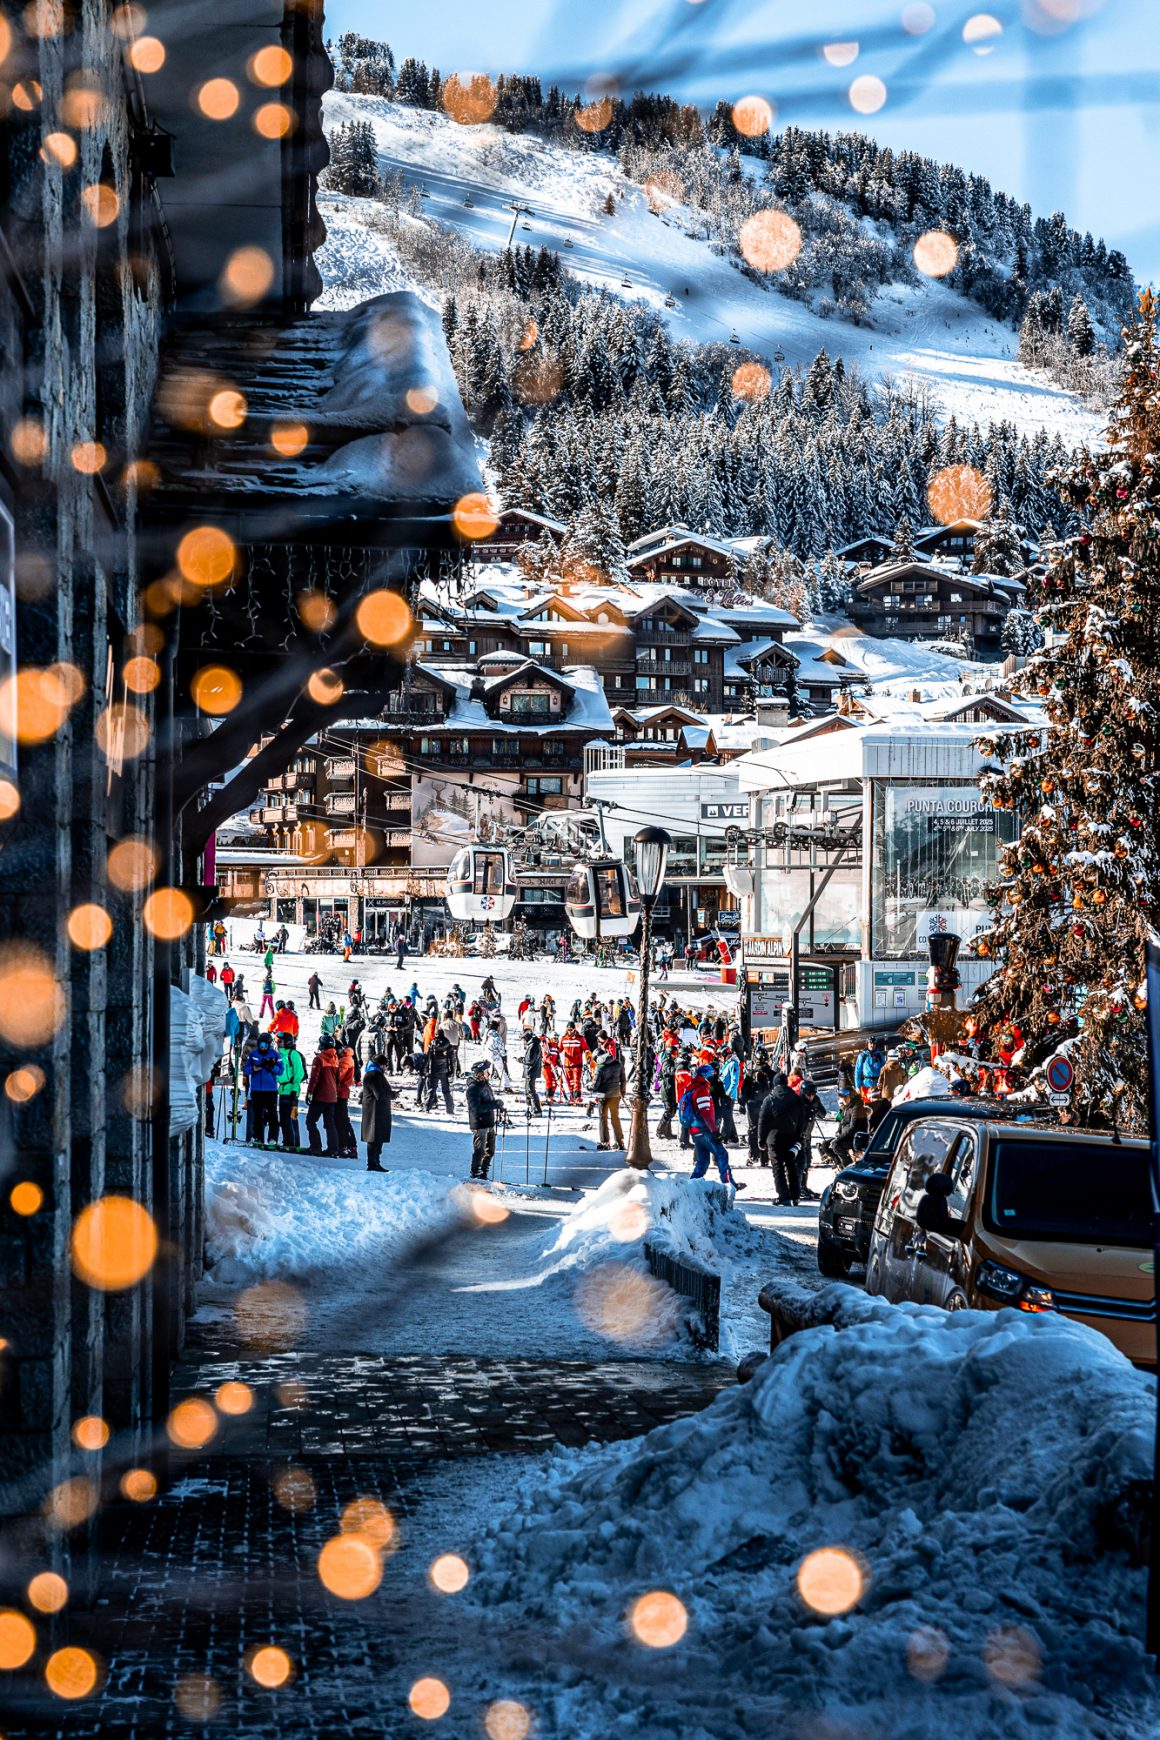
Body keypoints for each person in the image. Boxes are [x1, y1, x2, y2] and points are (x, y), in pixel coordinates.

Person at [681, 1063, 741, 1188]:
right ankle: (729, 1184)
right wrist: (714, 1131)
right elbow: (705, 1113)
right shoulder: (701, 1090)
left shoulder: (692, 1087)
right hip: (704, 1129)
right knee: (721, 1154)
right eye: (711, 1075)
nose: (713, 1077)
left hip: (695, 1128)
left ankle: (691, 1186)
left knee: (703, 1161)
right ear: (705, 1075)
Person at [758, 1072, 809, 1206]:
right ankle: (795, 1196)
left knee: (778, 1167)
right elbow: (801, 1120)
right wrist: (798, 1136)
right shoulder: (796, 1098)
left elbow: (763, 1120)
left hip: (773, 1138)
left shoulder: (769, 1099)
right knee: (791, 1165)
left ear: (774, 1084)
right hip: (790, 1137)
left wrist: (761, 1140)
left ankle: (783, 1196)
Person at [243, 1031, 282, 1145]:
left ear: (269, 1045)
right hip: (257, 1090)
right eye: (261, 1044)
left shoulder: (275, 1055)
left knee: (272, 1114)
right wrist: (254, 1068)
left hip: (270, 1090)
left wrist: (272, 1067)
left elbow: (281, 1071)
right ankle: (257, 1137)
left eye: (265, 1045)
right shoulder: (253, 1054)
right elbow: (246, 1069)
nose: (262, 1047)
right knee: (257, 1115)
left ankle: (272, 1138)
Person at [305, 1035, 340, 1156]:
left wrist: (309, 1093)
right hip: (332, 1096)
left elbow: (314, 1078)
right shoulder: (335, 1058)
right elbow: (337, 1079)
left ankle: (316, 1146)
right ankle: (333, 1149)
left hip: (320, 1096)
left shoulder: (319, 1059)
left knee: (310, 1121)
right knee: (330, 1123)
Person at [466, 1060, 501, 1180]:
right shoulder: (473, 1089)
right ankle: (475, 1173)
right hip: (479, 1124)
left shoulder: (485, 1085)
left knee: (490, 1151)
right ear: (479, 1074)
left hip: (489, 1123)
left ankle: (484, 1173)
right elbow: (477, 1108)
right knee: (479, 1151)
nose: (489, 1074)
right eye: (486, 1072)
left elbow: (488, 1102)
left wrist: (497, 1104)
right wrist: (494, 1105)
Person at [361, 1053, 396, 1171]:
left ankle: (376, 1162)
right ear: (380, 1065)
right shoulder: (373, 1075)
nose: (386, 1068)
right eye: (385, 1065)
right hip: (374, 1111)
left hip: (378, 1110)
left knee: (378, 1137)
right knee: (373, 1137)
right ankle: (372, 1164)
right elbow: (379, 1094)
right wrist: (393, 1095)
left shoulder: (376, 1074)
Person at [276, 1031, 306, 1151]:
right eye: (277, 1041)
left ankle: (291, 1142)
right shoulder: (281, 1055)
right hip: (283, 1090)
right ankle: (290, 1141)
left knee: (289, 1118)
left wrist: (294, 1090)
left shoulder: (293, 1054)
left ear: (287, 1042)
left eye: (280, 1042)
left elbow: (299, 1073)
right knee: (284, 1118)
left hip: (291, 1091)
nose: (278, 1044)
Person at [592, 1045, 626, 1150]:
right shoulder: (618, 1063)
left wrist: (590, 1087)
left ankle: (605, 1142)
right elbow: (623, 1080)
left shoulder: (600, 1067)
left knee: (603, 1119)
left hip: (603, 1096)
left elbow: (595, 1085)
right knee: (615, 1118)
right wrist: (622, 1092)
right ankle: (620, 1142)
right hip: (616, 1095)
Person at [335, 1042, 357, 1157]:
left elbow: (338, 1076)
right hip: (340, 1092)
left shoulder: (345, 1060)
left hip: (340, 1093)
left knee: (342, 1121)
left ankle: (347, 1146)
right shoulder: (344, 1058)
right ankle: (347, 1145)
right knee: (342, 1120)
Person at [425, 1029, 456, 1113]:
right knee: (446, 1091)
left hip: (434, 1070)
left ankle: (427, 1107)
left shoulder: (432, 1044)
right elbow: (452, 1059)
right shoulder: (448, 1044)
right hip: (444, 1070)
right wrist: (452, 1071)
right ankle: (450, 1109)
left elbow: (427, 1058)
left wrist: (426, 1069)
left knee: (431, 1089)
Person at [559, 1022, 586, 1104]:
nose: (569, 1032)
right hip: (567, 1064)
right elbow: (559, 1050)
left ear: (574, 1029)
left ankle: (577, 1097)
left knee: (576, 1081)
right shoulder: (564, 1039)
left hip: (577, 1064)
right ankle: (571, 1097)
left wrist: (589, 1057)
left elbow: (586, 1049)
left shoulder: (580, 1038)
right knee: (569, 1081)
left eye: (571, 1030)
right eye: (568, 1030)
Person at [854, 1036, 885, 1104]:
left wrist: (883, 1083)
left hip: (877, 1085)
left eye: (874, 1044)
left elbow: (884, 1070)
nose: (872, 1045)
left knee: (877, 1105)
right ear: (867, 1044)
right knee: (866, 1105)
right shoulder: (862, 1056)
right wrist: (857, 1086)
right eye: (870, 1043)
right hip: (866, 1084)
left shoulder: (880, 1056)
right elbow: (857, 1072)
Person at [522, 1026, 543, 1116]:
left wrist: (520, 1060)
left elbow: (530, 1060)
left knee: (531, 1091)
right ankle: (531, 1109)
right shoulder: (532, 1044)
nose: (523, 1041)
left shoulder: (533, 1045)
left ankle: (537, 1110)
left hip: (531, 1071)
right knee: (528, 1090)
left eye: (523, 1039)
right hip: (530, 1071)